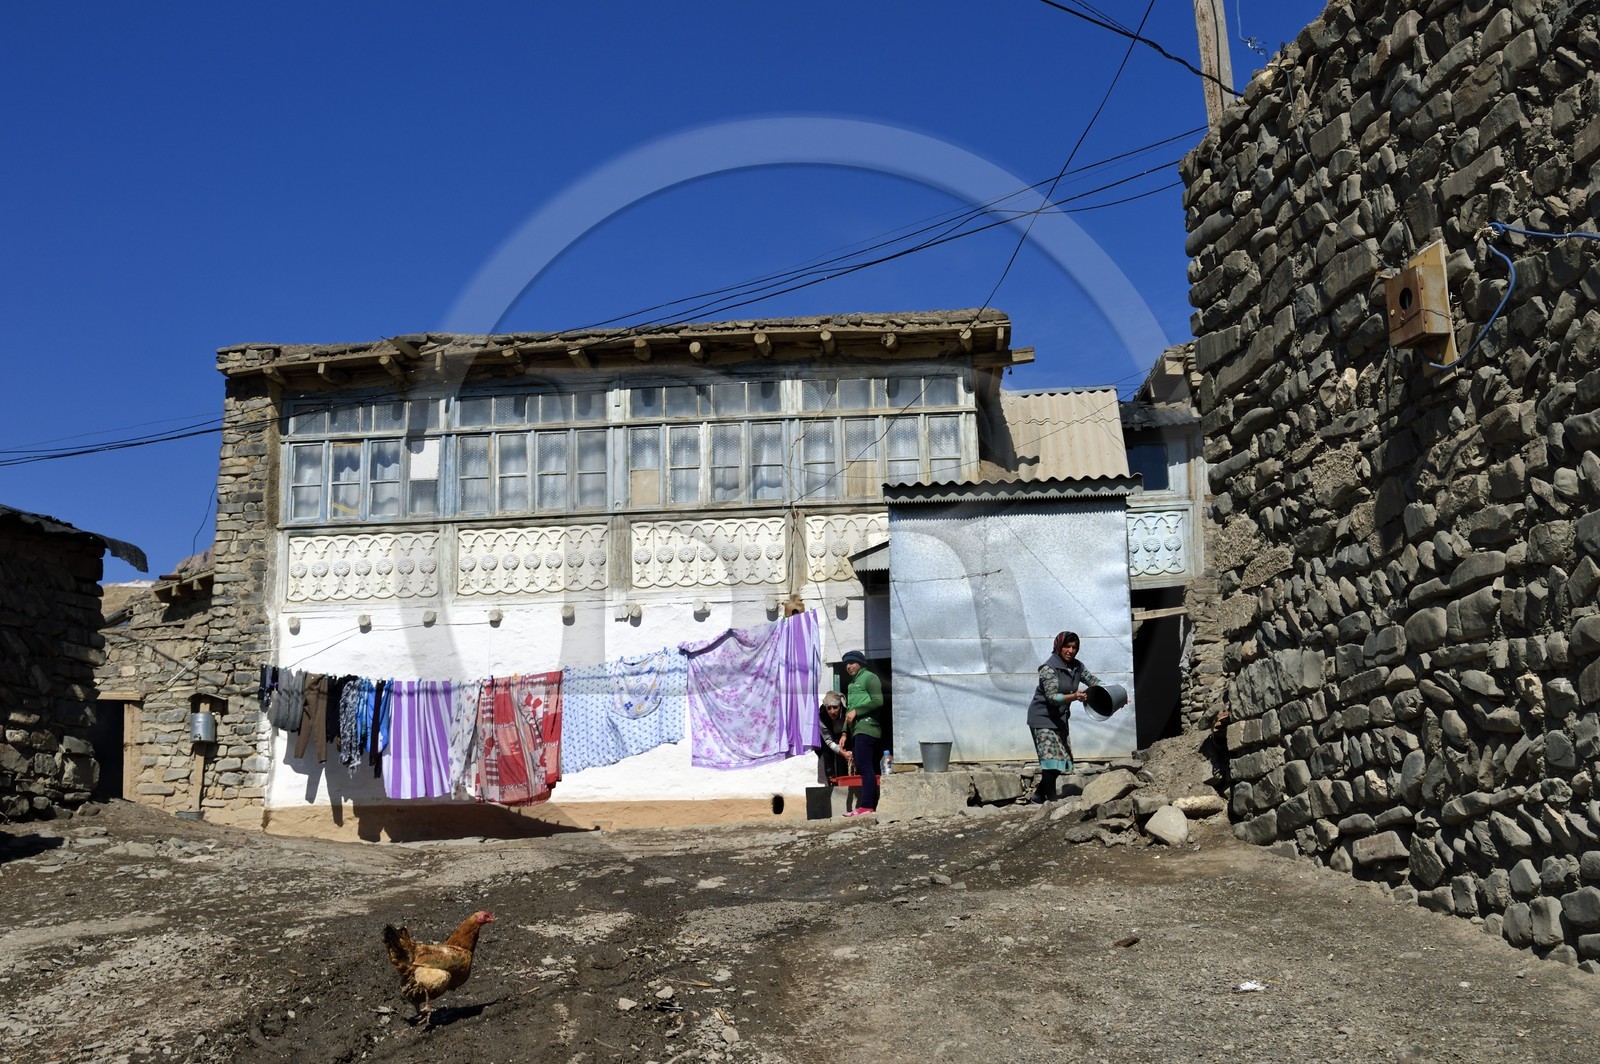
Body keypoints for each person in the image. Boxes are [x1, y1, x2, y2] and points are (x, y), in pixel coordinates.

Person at [1024, 630, 1102, 804]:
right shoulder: (1048, 669)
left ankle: (1037, 796)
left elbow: (1093, 681)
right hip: (1042, 718)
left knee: (1062, 761)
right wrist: (1074, 696)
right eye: (1067, 646)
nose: (1071, 650)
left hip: (1060, 719)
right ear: (1059, 646)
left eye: (1074, 647)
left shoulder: (1077, 667)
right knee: (1051, 761)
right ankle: (1051, 801)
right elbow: (1052, 698)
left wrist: (1114, 694)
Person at [840, 650, 885, 816]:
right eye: (846, 664)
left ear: (861, 663)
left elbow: (878, 701)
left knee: (866, 768)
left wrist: (858, 711)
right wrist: (844, 733)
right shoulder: (852, 684)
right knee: (863, 767)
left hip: (868, 728)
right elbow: (850, 710)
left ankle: (867, 806)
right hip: (856, 730)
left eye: (852, 663)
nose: (849, 666)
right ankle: (867, 806)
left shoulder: (870, 678)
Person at [817, 690, 853, 782]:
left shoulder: (847, 712)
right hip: (829, 736)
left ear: (840, 707)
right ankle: (831, 779)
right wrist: (842, 753)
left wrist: (845, 752)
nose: (832, 711)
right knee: (826, 752)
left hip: (844, 734)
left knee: (848, 751)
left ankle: (849, 776)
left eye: (835, 707)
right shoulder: (821, 716)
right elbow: (828, 741)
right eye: (829, 708)